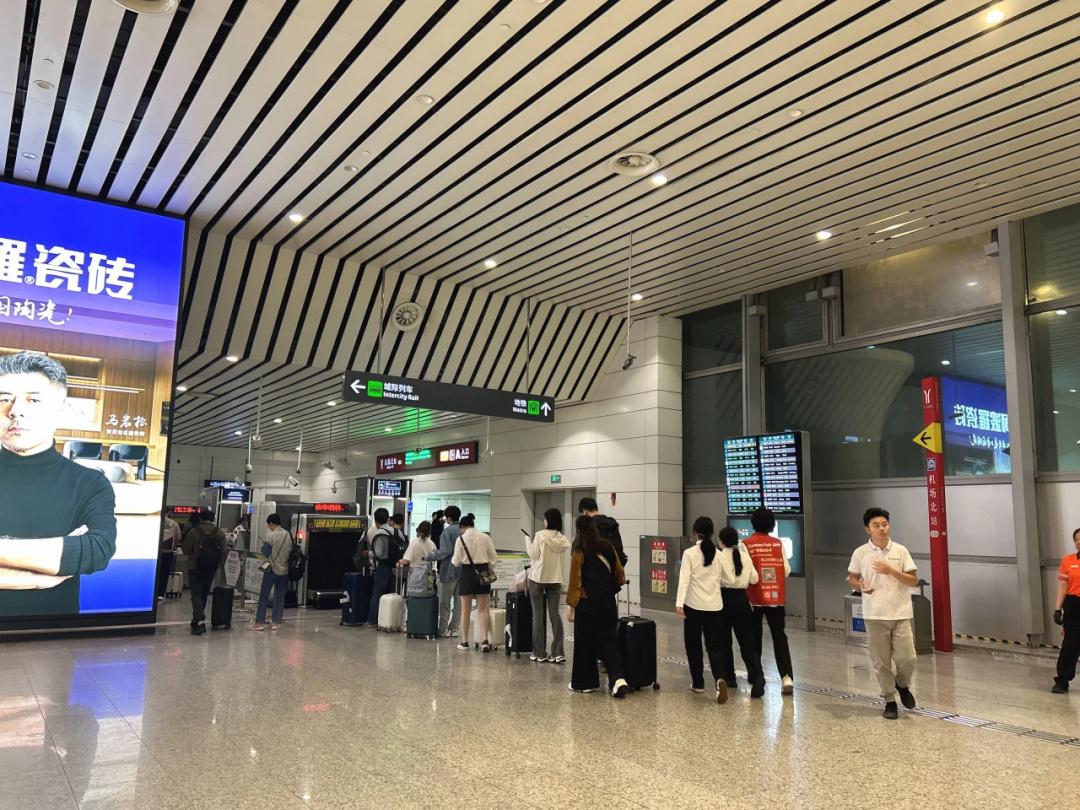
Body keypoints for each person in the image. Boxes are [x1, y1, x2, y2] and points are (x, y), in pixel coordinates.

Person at [0, 352, 117, 616]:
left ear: (59, 411)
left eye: (33, 400)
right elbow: (75, 553)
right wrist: (35, 579)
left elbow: (96, 550)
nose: (15, 410)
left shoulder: (89, 483)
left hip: (54, 632)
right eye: (4, 399)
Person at [847, 507, 919, 720]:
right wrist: (860, 585)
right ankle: (889, 700)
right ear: (867, 529)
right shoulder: (860, 553)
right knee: (881, 661)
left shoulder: (900, 550)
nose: (882, 528)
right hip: (874, 614)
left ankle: (902, 684)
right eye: (876, 525)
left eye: (885, 524)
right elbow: (852, 578)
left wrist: (891, 571)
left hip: (900, 612)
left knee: (908, 658)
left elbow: (913, 580)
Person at [566, 515, 631, 698]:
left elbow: (575, 582)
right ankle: (618, 680)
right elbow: (620, 576)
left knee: (584, 642)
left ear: (578, 531)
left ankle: (584, 683)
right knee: (609, 641)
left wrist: (571, 606)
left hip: (586, 604)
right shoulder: (608, 547)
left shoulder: (579, 551)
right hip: (608, 602)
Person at [742, 507, 794, 695]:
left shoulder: (746, 544)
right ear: (772, 525)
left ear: (753, 523)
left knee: (754, 637)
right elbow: (786, 570)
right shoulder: (778, 544)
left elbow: (747, 573)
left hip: (754, 598)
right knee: (779, 636)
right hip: (776, 597)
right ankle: (787, 677)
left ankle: (758, 677)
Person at [676, 517, 728, 703]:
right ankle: (720, 678)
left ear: (694, 533)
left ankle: (698, 683)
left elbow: (684, 579)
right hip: (715, 607)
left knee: (693, 645)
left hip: (693, 607)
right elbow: (728, 579)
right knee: (715, 647)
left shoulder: (689, 553)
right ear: (712, 533)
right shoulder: (719, 554)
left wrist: (679, 603)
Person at [717, 526, 765, 698]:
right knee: (747, 643)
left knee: (724, 641)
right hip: (742, 601)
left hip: (723, 601)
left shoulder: (719, 556)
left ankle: (729, 677)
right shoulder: (745, 556)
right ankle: (757, 676)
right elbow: (754, 579)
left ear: (721, 541)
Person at [527, 507, 571, 663]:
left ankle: (539, 653)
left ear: (548, 521)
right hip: (555, 579)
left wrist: (527, 541)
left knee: (537, 615)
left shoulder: (540, 535)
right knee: (555, 614)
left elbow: (533, 555)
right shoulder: (562, 539)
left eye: (545, 519)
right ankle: (558, 652)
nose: (544, 521)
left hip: (538, 578)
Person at [452, 514, 498, 652]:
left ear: (462, 527)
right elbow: (493, 558)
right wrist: (486, 566)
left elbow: (456, 561)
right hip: (483, 573)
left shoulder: (461, 539)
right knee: (483, 610)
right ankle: (484, 641)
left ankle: (465, 642)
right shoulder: (485, 537)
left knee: (465, 610)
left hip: (467, 573)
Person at [181, 508, 226, 635]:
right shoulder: (219, 532)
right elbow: (224, 551)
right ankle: (196, 619)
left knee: (196, 594)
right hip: (211, 567)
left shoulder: (194, 531)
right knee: (204, 593)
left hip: (194, 567)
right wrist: (217, 564)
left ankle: (199, 621)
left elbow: (185, 549)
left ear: (201, 518)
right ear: (213, 518)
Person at [1051, 527, 1080, 694]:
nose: (1079, 542)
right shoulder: (1068, 560)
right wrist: (1057, 609)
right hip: (1073, 606)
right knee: (1070, 644)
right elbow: (1063, 586)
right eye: (1076, 539)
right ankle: (1062, 680)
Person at [249, 513, 290, 631]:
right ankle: (276, 622)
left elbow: (265, 553)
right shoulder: (287, 534)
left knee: (264, 596)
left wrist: (263, 548)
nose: (268, 527)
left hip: (271, 569)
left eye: (268, 525)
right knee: (280, 597)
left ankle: (259, 623)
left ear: (271, 523)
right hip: (284, 570)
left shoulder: (270, 535)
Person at [427, 505, 462, 637]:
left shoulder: (447, 532)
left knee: (445, 601)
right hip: (463, 571)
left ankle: (443, 629)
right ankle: (455, 628)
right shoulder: (464, 531)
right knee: (459, 602)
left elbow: (445, 552)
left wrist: (430, 556)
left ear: (449, 518)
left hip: (449, 571)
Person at [366, 508, 403, 625]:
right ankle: (392, 620)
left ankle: (372, 620)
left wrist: (368, 553)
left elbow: (379, 553)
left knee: (377, 594)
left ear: (376, 521)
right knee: (393, 594)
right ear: (388, 519)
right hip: (397, 566)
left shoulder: (379, 534)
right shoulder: (397, 532)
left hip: (383, 566)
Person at [579, 496, 627, 566]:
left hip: (596, 567)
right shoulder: (611, 522)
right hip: (614, 565)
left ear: (584, 511)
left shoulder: (589, 524)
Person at [399, 520, 436, 596]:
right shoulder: (432, 544)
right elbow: (434, 560)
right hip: (428, 576)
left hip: (415, 575)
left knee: (414, 596)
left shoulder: (414, 542)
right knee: (427, 595)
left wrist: (399, 562)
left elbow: (407, 560)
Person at [156, 516, 182, 600]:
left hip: (154, 552)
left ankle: (151, 592)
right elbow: (178, 537)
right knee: (164, 572)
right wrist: (174, 546)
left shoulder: (154, 520)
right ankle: (160, 593)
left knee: (153, 572)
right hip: (167, 552)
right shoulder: (173, 524)